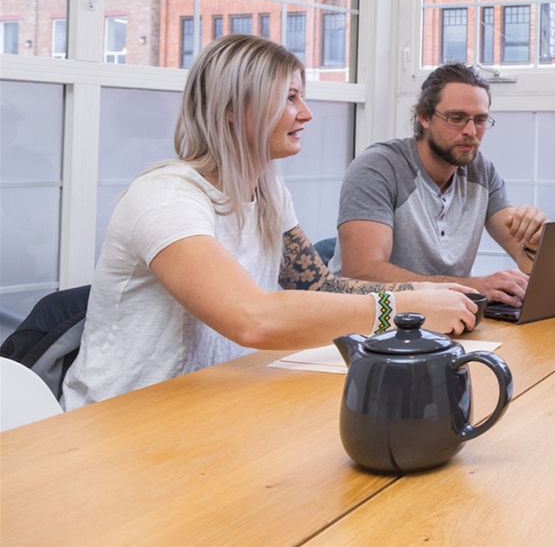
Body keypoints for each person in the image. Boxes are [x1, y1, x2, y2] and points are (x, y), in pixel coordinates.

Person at [63, 36, 479, 410]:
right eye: (290, 98)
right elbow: (252, 318)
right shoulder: (167, 199)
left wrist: (429, 291)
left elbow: (318, 287)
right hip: (120, 420)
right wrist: (399, 307)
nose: (307, 114)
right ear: (229, 109)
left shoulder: (267, 193)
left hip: (208, 405)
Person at [330, 62, 546, 306]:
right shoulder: (378, 168)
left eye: (480, 119)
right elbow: (361, 272)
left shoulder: (481, 171)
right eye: (457, 118)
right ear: (424, 116)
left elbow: (523, 256)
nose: (471, 131)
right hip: (370, 319)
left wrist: (534, 243)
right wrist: (473, 286)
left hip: (446, 316)